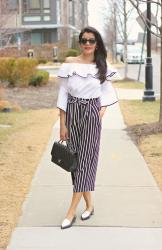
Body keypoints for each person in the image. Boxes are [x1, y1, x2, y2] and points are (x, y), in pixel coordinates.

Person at [56, 26, 118, 229]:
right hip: (72, 111)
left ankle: (71, 211)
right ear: (80, 42)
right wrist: (62, 123)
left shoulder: (102, 66)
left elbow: (107, 91)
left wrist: (102, 110)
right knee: (74, 160)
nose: (88, 44)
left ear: (97, 43)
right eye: (84, 40)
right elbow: (63, 93)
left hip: (91, 112)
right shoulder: (69, 64)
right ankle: (90, 205)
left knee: (86, 160)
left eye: (92, 40)